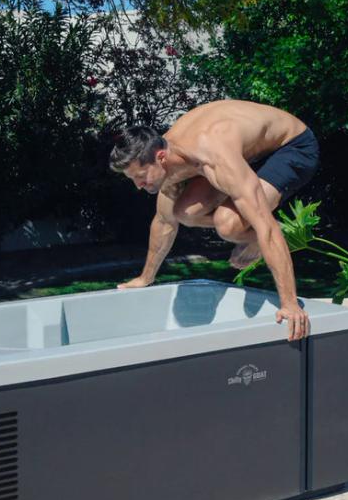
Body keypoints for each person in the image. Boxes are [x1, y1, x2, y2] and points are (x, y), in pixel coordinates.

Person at [109, 99, 319, 342]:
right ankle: (252, 237)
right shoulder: (168, 164)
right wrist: (146, 277)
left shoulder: (211, 153)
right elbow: (165, 222)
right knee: (183, 212)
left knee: (229, 224)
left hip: (290, 147)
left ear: (160, 157)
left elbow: (266, 225)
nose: (138, 186)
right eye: (132, 179)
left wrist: (290, 304)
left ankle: (257, 238)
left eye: (141, 176)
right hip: (244, 154)